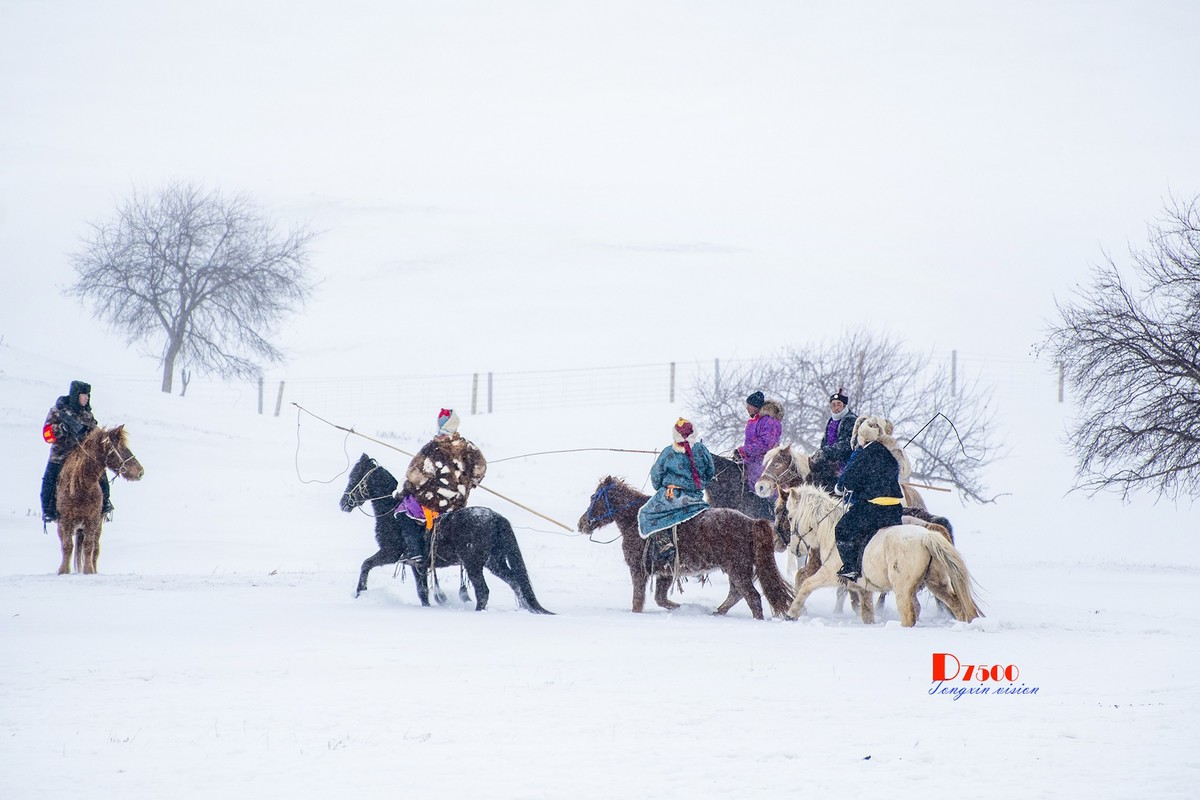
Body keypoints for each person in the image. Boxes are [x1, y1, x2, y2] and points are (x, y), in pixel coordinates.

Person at [392, 408, 487, 565]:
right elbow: (480, 469)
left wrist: (402, 492)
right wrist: (470, 483)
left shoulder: (431, 450)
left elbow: (414, 477)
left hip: (433, 503)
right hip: (458, 505)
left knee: (402, 511)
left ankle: (415, 552)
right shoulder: (469, 448)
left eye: (443, 430)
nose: (440, 434)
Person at [832, 415, 905, 582]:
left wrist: (840, 487)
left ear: (863, 437)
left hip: (874, 509)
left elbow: (849, 479)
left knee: (842, 529)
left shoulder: (865, 454)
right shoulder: (890, 454)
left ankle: (851, 567)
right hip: (894, 510)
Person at [637, 418, 715, 566]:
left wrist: (661, 487)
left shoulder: (668, 452)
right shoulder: (702, 449)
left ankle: (666, 546)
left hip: (672, 497)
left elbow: (656, 476)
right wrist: (698, 484)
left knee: (646, 514)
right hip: (695, 497)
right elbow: (710, 471)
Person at [40, 379, 112, 523]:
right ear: (75, 395)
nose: (86, 398)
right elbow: (47, 435)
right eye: (83, 395)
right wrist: (62, 429)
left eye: (88, 396)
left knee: (101, 475)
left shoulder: (87, 414)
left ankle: (105, 503)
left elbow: (94, 432)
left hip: (83, 456)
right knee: (50, 478)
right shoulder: (58, 411)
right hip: (61, 455)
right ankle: (48, 510)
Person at [732, 390, 784, 492]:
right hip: (751, 460)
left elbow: (766, 445)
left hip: (765, 462)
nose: (747, 408)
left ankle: (770, 505)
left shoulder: (769, 421)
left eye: (749, 405)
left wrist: (744, 451)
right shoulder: (753, 421)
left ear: (756, 406)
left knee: (760, 484)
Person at [809, 388, 857, 492]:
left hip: (844, 462)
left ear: (844, 405)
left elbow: (846, 444)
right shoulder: (831, 421)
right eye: (833, 405)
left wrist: (827, 452)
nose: (836, 408)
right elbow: (825, 441)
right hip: (830, 461)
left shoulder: (850, 420)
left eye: (838, 404)